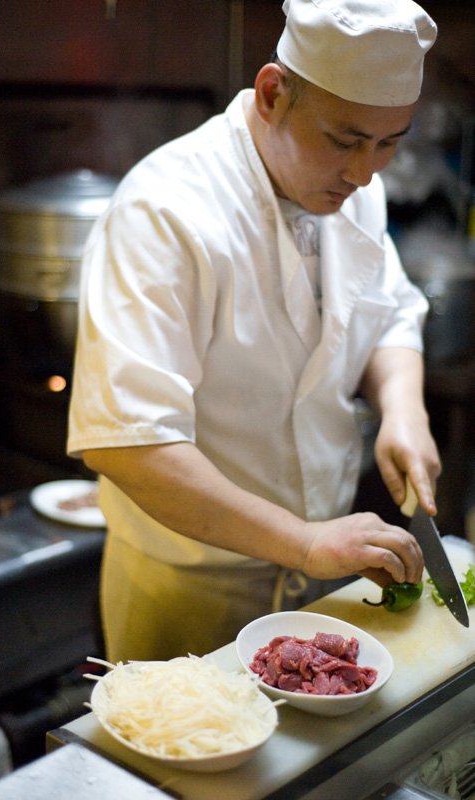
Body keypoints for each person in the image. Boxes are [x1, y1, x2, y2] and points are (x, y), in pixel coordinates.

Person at [67, 0, 441, 664]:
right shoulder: (165, 209)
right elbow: (129, 443)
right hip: (192, 586)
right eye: (346, 140)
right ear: (273, 94)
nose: (365, 173)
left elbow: (388, 311)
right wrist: (302, 540)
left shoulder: (355, 187)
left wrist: (403, 410)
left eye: (389, 143)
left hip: (324, 573)